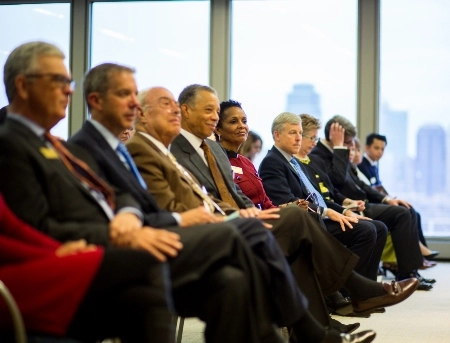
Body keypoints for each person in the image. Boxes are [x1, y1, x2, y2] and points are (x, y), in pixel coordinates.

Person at [1, 43, 286, 343]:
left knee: (231, 280)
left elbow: (112, 193)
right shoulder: (16, 144)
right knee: (238, 233)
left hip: (125, 235)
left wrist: (127, 213)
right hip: (87, 252)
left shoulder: (51, 144)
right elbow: (36, 227)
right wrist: (120, 232)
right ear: (23, 85)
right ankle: (295, 328)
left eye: (69, 83)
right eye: (59, 81)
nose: (69, 91)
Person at [71, 74, 381, 343]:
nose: (175, 111)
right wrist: (233, 215)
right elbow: (158, 205)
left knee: (253, 260)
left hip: (206, 225)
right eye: (167, 105)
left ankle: (314, 323)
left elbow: (215, 197)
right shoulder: (140, 149)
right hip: (174, 236)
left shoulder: (186, 151)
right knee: (280, 228)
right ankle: (326, 313)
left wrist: (247, 212)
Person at [0, 194, 174, 342]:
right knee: (147, 260)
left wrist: (56, 250)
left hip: (30, 263)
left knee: (140, 300)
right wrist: (55, 255)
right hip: (7, 283)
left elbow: (13, 228)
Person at [258, 112, 386, 281]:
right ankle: (348, 287)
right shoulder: (272, 162)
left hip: (319, 216)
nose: (298, 138)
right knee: (366, 231)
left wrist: (345, 211)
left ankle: (367, 286)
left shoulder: (294, 162)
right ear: (277, 135)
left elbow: (318, 196)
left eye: (299, 133)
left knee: (379, 227)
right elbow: (288, 203)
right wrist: (326, 212)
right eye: (293, 133)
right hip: (307, 223)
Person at [310, 115, 434, 290]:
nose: (349, 147)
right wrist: (339, 146)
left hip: (355, 202)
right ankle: (402, 274)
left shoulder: (336, 153)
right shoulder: (317, 154)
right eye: (346, 142)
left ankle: (409, 272)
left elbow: (358, 184)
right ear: (334, 136)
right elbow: (337, 181)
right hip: (345, 206)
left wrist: (387, 199)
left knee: (404, 209)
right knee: (400, 214)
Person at [358, 133, 439, 261]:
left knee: (414, 212)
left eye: (382, 149)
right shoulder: (361, 165)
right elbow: (368, 190)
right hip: (370, 204)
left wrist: (389, 198)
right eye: (376, 148)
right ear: (367, 147)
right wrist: (387, 199)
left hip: (379, 201)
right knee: (404, 212)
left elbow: (378, 188)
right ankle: (417, 255)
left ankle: (420, 254)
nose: (380, 152)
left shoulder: (373, 166)